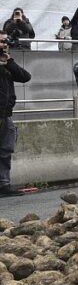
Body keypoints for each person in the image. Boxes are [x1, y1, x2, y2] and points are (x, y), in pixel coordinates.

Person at [0, 34, 30, 196]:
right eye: (2, 41)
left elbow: (25, 77)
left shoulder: (7, 63)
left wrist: (9, 62)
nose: (5, 43)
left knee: (5, 150)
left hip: (6, 115)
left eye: (6, 41)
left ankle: (4, 185)